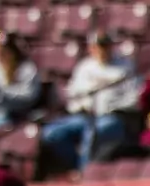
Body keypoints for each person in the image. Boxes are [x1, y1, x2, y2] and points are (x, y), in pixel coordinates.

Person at [41, 31, 141, 172]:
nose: (101, 50)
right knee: (51, 134)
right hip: (84, 115)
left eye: (104, 46)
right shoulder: (84, 67)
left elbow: (134, 98)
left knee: (92, 133)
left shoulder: (125, 66)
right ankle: (75, 166)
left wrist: (112, 106)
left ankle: (84, 174)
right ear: (90, 48)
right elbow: (74, 95)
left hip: (113, 116)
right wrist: (81, 107)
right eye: (97, 46)